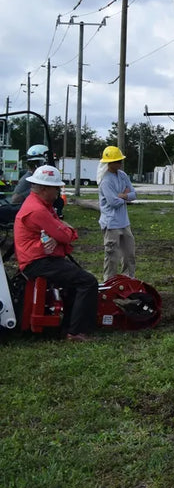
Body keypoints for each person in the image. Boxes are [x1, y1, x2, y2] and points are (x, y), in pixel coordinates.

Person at [14, 164, 99, 342]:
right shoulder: (38, 210)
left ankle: (68, 326)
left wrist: (62, 233)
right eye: (56, 188)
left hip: (38, 258)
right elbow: (65, 234)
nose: (59, 192)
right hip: (38, 261)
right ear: (44, 189)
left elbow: (60, 231)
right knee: (88, 282)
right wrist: (66, 232)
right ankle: (75, 332)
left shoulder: (39, 204)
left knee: (75, 281)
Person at [98, 145, 137, 281]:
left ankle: (128, 280)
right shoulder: (106, 181)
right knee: (112, 256)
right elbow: (112, 202)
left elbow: (133, 194)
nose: (120, 163)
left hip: (124, 223)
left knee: (129, 254)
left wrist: (122, 196)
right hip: (111, 224)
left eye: (120, 160)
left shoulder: (123, 175)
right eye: (117, 161)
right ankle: (109, 283)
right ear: (110, 163)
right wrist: (124, 197)